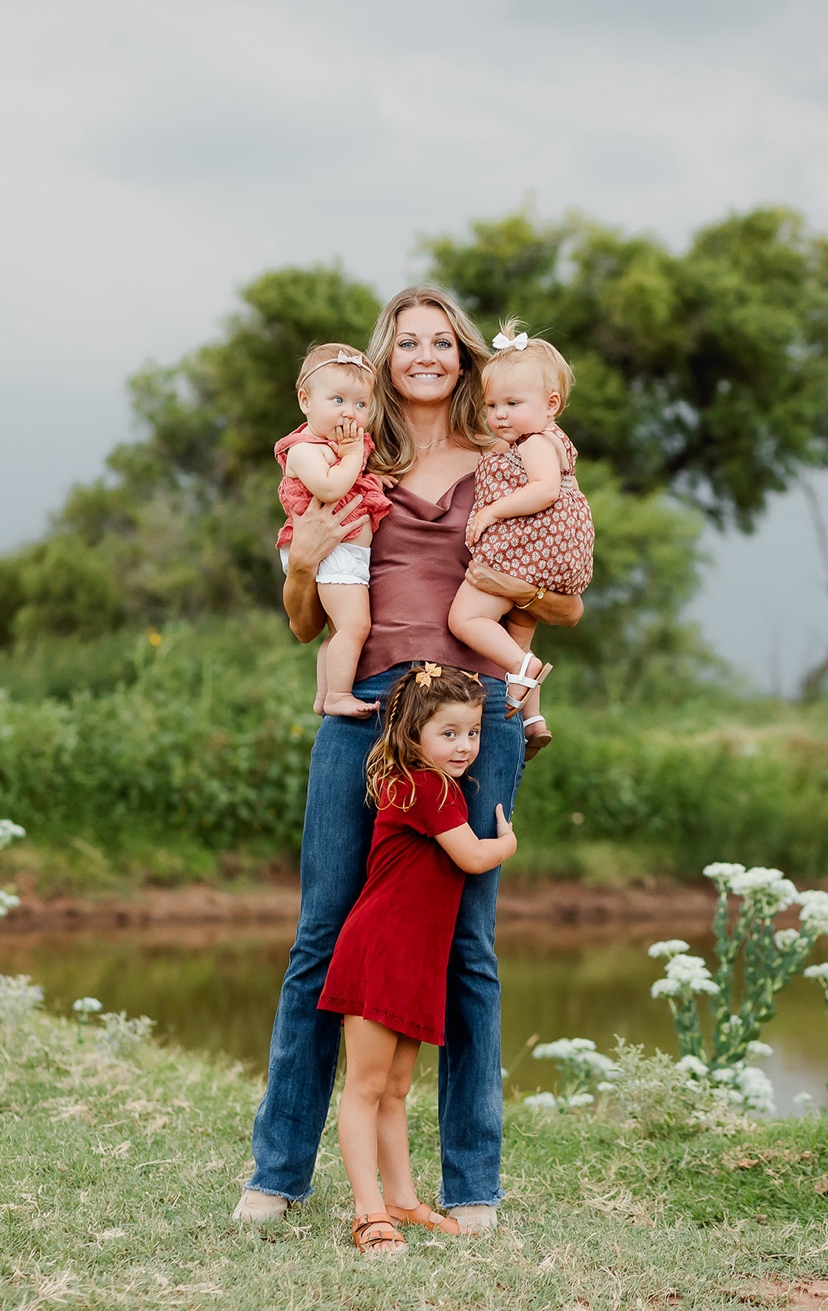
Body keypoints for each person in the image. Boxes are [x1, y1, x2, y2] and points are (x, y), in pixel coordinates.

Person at [234, 287, 582, 1235]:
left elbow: (565, 603)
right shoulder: (351, 461)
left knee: (468, 947)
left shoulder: (514, 463)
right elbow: (308, 616)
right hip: (366, 714)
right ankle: (278, 1171)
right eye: (408, 342)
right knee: (323, 934)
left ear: (465, 357)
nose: (425, 355)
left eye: (442, 341)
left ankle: (471, 1185)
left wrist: (508, 596)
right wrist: (304, 559)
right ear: (388, 357)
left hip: (474, 722)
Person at [317, 663, 517, 1254]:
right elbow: (474, 858)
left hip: (413, 958)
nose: (464, 746)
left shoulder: (436, 785)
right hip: (382, 949)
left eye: (473, 733)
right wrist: (505, 843)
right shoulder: (421, 785)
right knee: (365, 1087)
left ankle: (402, 1200)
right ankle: (368, 1212)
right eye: (448, 733)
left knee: (396, 1088)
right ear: (414, 734)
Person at [449, 322, 594, 760]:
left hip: (524, 550)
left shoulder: (535, 443)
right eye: (492, 405)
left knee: (467, 619)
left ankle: (523, 670)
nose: (500, 415)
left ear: (552, 405)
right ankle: (532, 718)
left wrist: (491, 511)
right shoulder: (529, 439)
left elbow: (544, 490)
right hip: (548, 555)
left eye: (513, 403)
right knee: (519, 635)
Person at [274, 343, 392, 717]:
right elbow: (329, 488)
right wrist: (355, 455)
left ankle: (326, 694)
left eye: (361, 405)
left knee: (340, 632)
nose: (350, 413)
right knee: (356, 626)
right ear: (305, 400)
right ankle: (340, 694)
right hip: (332, 553)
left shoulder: (337, 446)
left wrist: (373, 476)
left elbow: (351, 479)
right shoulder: (304, 449)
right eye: (338, 399)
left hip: (343, 555)